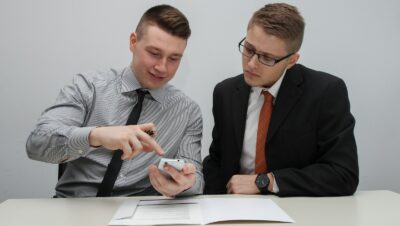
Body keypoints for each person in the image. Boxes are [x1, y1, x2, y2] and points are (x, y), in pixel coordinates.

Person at [26, 4, 203, 198]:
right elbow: (37, 144)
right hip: (76, 207)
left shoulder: (188, 111)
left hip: (141, 213)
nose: (162, 67)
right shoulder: (88, 87)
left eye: (174, 58)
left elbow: (196, 177)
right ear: (133, 42)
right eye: (154, 53)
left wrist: (186, 184)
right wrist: (96, 136)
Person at [202, 3, 358, 196]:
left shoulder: (325, 92)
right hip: (235, 208)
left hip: (297, 210)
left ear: (292, 60)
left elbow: (343, 174)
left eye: (267, 58)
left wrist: (265, 182)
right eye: (249, 49)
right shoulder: (225, 93)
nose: (251, 64)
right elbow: (218, 162)